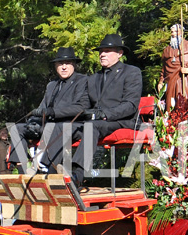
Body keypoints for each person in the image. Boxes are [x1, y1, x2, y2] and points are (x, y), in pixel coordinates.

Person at [8, 46, 89, 179]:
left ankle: (45, 169)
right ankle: (22, 172)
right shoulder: (52, 85)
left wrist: (53, 112)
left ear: (73, 65)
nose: (63, 67)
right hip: (48, 125)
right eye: (60, 64)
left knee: (55, 128)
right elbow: (42, 107)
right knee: (17, 128)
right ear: (55, 66)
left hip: (69, 125)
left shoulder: (82, 81)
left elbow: (81, 107)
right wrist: (33, 122)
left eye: (67, 63)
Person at [75, 33, 143, 187]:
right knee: (63, 127)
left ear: (120, 54)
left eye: (107, 50)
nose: (102, 54)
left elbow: (131, 104)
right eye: (101, 51)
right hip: (99, 123)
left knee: (93, 126)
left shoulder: (131, 72)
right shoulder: (92, 78)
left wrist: (105, 114)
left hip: (123, 120)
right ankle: (46, 174)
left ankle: (77, 176)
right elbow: (84, 105)